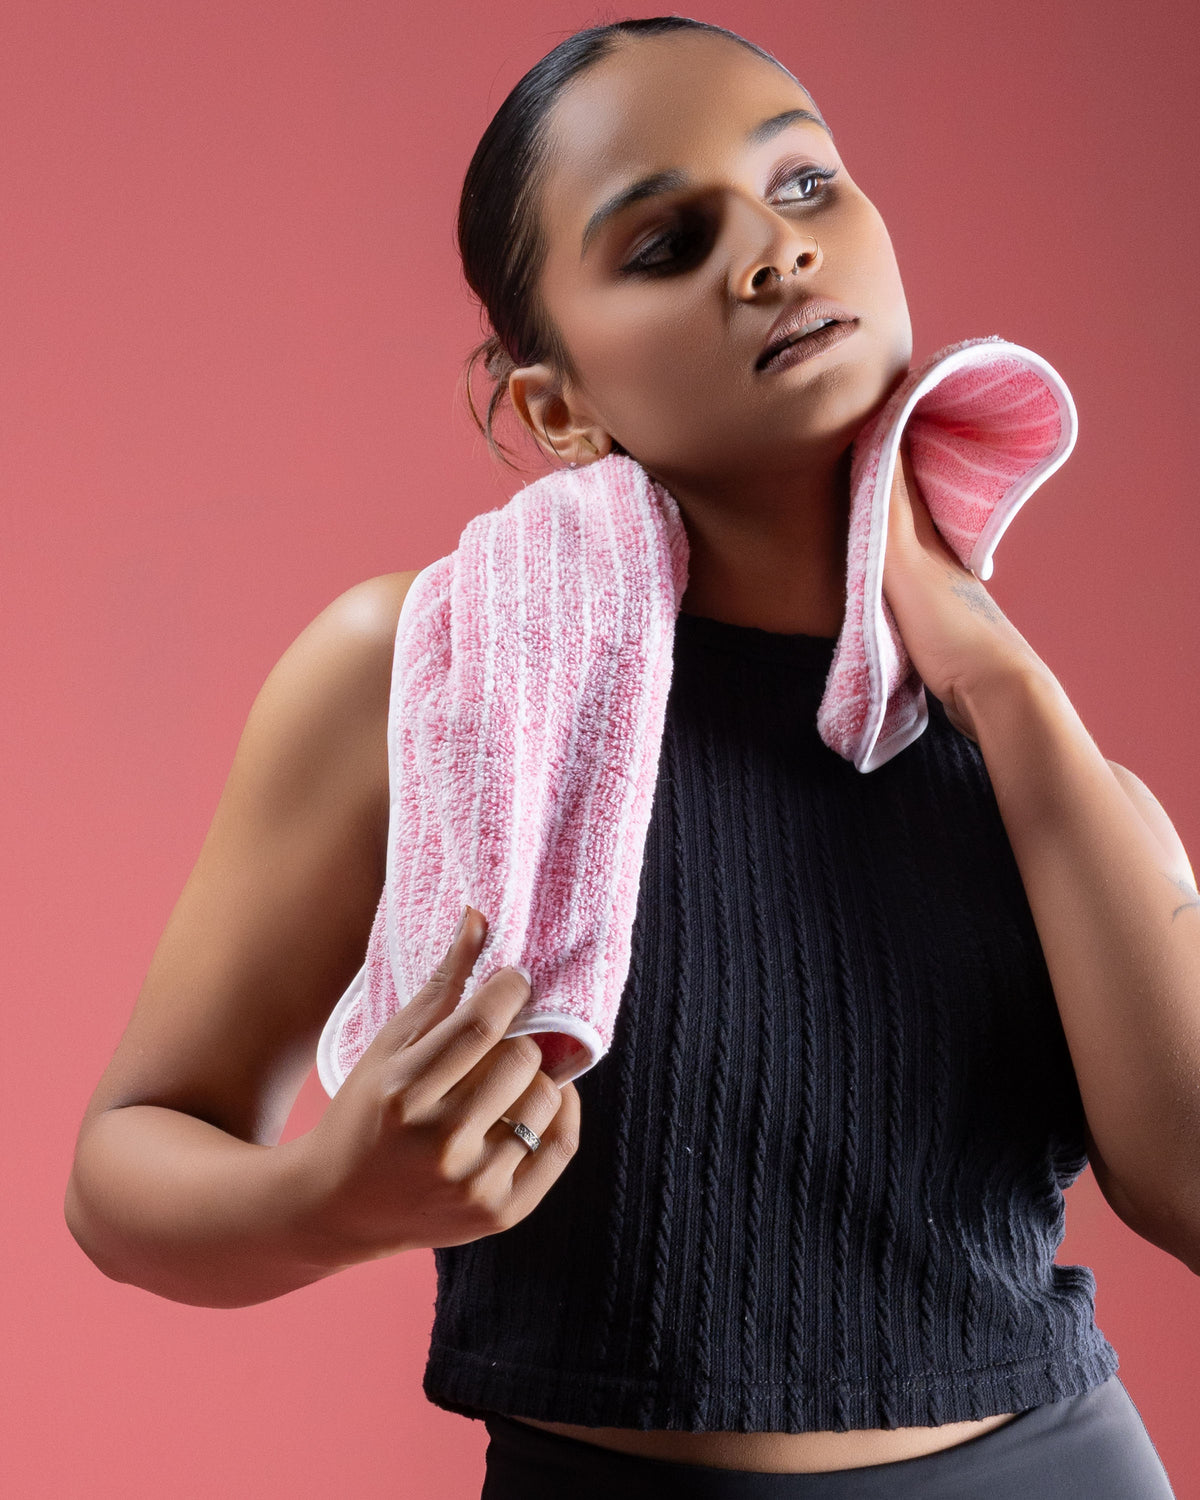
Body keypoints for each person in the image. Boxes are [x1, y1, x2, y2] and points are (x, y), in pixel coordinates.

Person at [65, 17, 1192, 1498]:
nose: (775, 253)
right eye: (667, 244)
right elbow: (123, 1166)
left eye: (804, 185)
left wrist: (1002, 682)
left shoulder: (1024, 743)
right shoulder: (429, 677)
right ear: (559, 404)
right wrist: (327, 1201)